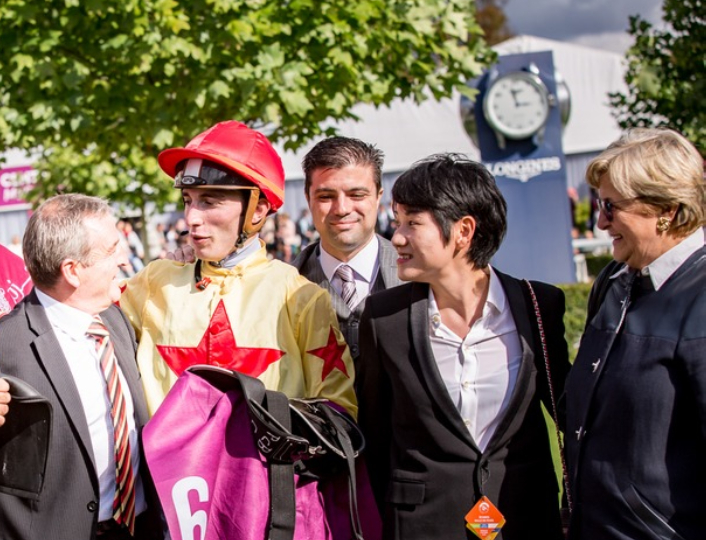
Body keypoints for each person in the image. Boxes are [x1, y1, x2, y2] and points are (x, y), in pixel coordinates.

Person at [0, 194, 161, 539]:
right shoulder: (0, 350)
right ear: (72, 270)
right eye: (112, 249)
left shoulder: (114, 320)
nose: (124, 260)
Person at [356, 153, 569, 540]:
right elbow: (376, 430)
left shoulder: (539, 307)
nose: (397, 237)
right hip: (423, 525)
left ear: (463, 231)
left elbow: (568, 416)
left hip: (524, 519)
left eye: (412, 223)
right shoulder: (383, 318)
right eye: (396, 221)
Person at [120, 120, 355, 415]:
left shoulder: (301, 298)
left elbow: (338, 412)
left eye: (209, 202)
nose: (191, 218)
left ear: (257, 209)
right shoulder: (156, 280)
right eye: (187, 200)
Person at [565, 128, 706, 540]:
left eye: (611, 205)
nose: (600, 219)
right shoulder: (613, 281)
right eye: (597, 203)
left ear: (667, 209)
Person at [293, 137, 403, 358]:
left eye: (356, 195)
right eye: (326, 196)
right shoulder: (284, 288)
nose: (342, 208)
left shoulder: (421, 279)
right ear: (308, 199)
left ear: (378, 197)